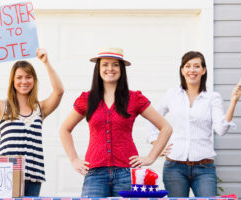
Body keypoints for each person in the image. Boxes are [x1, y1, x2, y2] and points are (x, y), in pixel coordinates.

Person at [59, 47, 173, 197]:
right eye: (105, 64)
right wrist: (74, 159)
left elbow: (166, 127)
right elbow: (64, 129)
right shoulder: (87, 98)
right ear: (98, 68)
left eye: (115, 64)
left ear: (121, 69)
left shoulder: (134, 98)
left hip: (126, 172)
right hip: (95, 173)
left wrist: (151, 157)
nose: (110, 69)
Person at [0, 48, 64, 196]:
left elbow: (59, 91)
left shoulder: (40, 108)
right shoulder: (1, 107)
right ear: (13, 81)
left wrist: (46, 63)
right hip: (4, 175)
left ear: (34, 80)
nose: (24, 81)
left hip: (33, 176)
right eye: (19, 77)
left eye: (28, 77)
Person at [148, 51, 241, 197]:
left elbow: (221, 129)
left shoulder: (212, 97)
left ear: (203, 70)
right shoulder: (172, 95)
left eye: (197, 66)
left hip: (204, 168)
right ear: (182, 70)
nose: (192, 70)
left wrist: (233, 102)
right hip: (174, 167)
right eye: (188, 66)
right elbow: (153, 119)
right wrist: (157, 145)